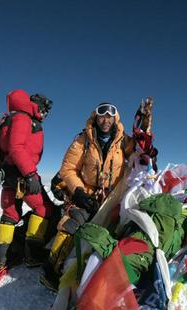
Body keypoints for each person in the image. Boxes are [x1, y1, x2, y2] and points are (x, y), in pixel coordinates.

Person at [40, 99, 155, 290]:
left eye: (110, 116)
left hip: (112, 196)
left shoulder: (122, 140)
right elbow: (67, 169)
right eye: (102, 116)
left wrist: (146, 120)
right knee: (73, 223)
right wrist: (78, 192)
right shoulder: (82, 140)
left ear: (115, 119)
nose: (106, 120)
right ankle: (51, 269)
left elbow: (141, 148)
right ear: (96, 117)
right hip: (87, 193)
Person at [0, 89, 54, 269]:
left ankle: (2, 259)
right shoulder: (22, 118)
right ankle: (32, 255)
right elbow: (16, 148)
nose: (45, 113)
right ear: (36, 105)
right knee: (44, 209)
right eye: (44, 109)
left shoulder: (11, 118)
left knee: (11, 213)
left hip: (10, 174)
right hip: (22, 174)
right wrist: (29, 174)